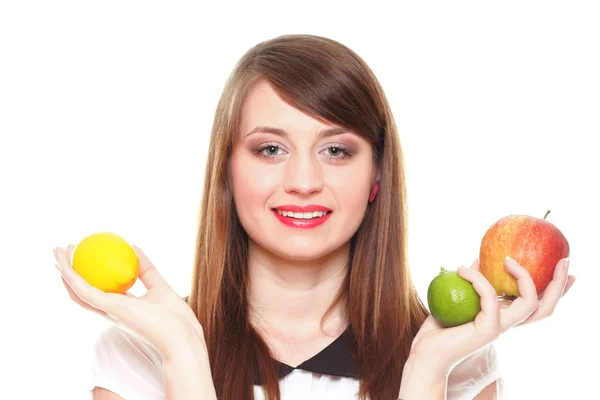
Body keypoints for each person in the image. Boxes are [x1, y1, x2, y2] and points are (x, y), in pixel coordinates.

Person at [53, 34, 575, 400]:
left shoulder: (458, 360)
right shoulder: (139, 355)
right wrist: (185, 354)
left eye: (336, 151)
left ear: (376, 178)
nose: (303, 181)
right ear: (227, 173)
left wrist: (427, 371)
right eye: (270, 149)